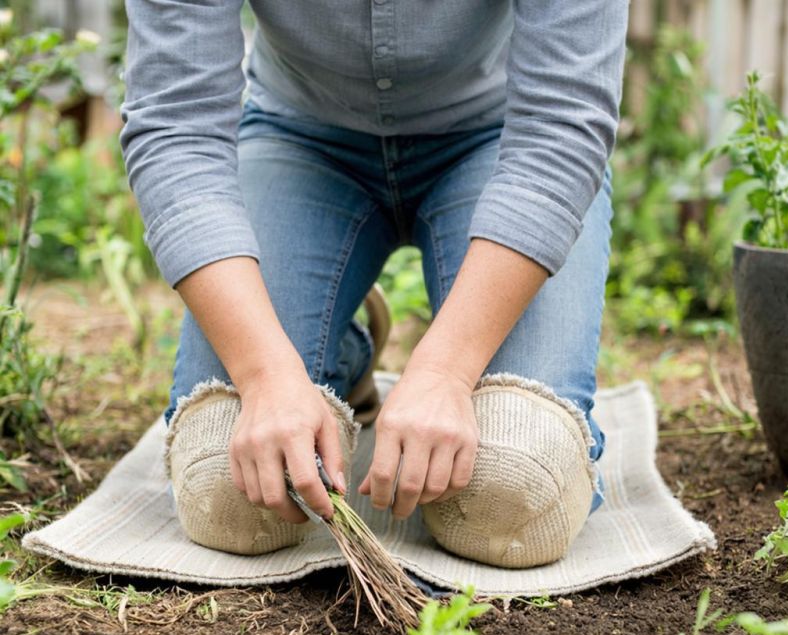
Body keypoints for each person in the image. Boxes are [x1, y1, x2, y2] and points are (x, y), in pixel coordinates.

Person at [121, 0, 629, 568]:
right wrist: (264, 375)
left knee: (515, 489)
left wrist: (446, 371)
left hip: (503, 142)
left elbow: (563, 123)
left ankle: (342, 350)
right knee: (229, 490)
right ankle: (339, 352)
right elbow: (175, 125)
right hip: (299, 138)